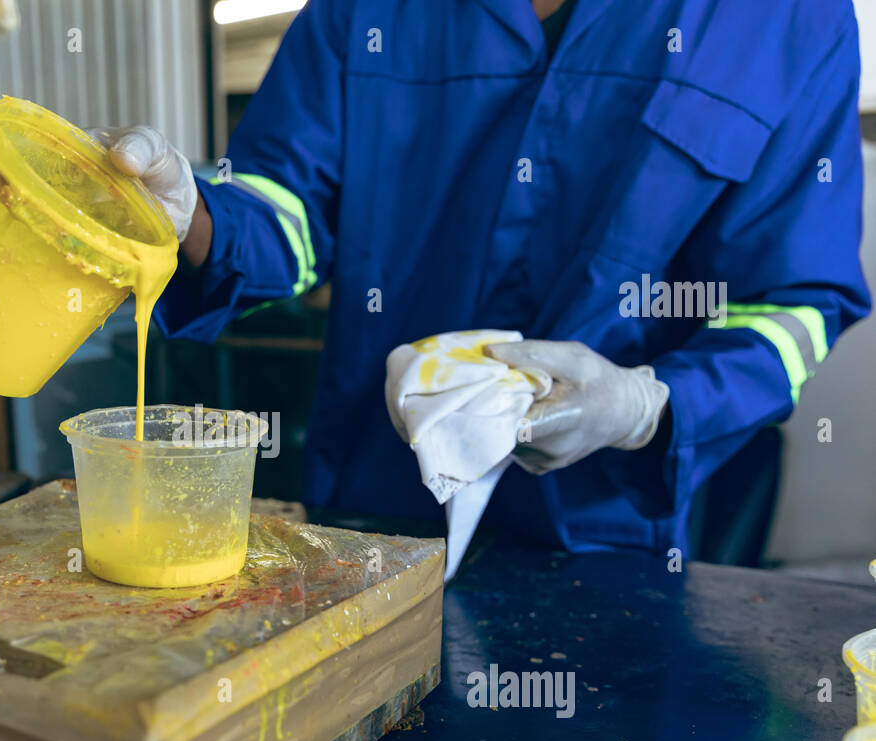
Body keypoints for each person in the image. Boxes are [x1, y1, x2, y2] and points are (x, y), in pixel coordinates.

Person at [94, 0, 870, 557]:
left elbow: (792, 305)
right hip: (368, 522)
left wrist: (647, 404)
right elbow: (289, 211)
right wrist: (193, 214)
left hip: (603, 545)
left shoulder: (785, 21)